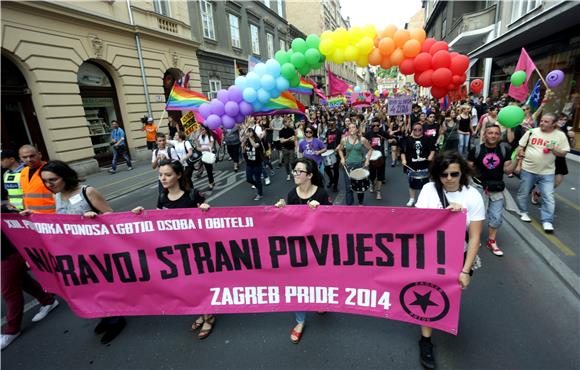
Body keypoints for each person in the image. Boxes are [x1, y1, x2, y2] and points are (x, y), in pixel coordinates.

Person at [36, 160, 127, 344]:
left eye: (53, 180)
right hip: (75, 251)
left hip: (98, 250)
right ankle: (104, 316)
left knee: (104, 286)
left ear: (66, 176)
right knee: (89, 288)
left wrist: (94, 218)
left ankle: (116, 320)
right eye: (45, 181)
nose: (49, 185)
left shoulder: (88, 192)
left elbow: (111, 216)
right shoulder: (58, 196)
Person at [414, 151, 485, 369]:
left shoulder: (472, 196)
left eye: (454, 173)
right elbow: (417, 225)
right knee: (427, 293)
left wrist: (465, 270)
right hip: (429, 254)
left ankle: (443, 317)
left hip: (458, 256)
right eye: (444, 174)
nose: (449, 179)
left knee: (449, 293)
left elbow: (474, 238)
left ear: (462, 172)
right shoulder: (428, 190)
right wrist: (442, 216)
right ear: (437, 175)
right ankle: (425, 340)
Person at [131, 160, 214, 339]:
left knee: (200, 284)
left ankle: (209, 316)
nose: (163, 178)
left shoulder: (193, 195)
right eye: (160, 174)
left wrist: (206, 209)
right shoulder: (162, 198)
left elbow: (211, 221)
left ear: (178, 175)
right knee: (188, 286)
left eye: (167, 174)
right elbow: (155, 222)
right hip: (175, 253)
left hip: (195, 250)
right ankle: (202, 312)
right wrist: (140, 215)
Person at [274, 158, 331, 344]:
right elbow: (287, 224)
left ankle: (320, 301)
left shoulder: (322, 194)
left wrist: (320, 211)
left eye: (299, 171)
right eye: (294, 171)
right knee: (297, 284)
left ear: (310, 175)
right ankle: (300, 321)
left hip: (319, 248)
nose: (295, 174)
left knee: (319, 278)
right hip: (298, 248)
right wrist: (281, 211)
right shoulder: (291, 194)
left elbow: (333, 222)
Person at [1, 190, 59, 350]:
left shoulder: (5, 210)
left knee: (9, 292)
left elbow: (23, 226)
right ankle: (48, 300)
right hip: (8, 255)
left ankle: (11, 330)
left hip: (9, 255)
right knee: (22, 282)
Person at [515, 113, 570, 232]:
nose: (542, 123)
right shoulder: (532, 132)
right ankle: (523, 212)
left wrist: (553, 148)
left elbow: (564, 153)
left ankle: (547, 221)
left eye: (546, 122)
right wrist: (519, 157)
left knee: (548, 197)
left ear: (554, 124)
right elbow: (521, 146)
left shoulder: (560, 135)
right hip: (528, 169)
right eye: (542, 121)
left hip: (548, 172)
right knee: (523, 192)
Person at [468, 123, 515, 256]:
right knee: (477, 215)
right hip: (479, 187)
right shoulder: (476, 150)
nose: (493, 135)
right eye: (490, 133)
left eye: (496, 133)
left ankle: (491, 241)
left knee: (496, 217)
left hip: (497, 188)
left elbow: (507, 170)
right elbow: (468, 169)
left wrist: (517, 159)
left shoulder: (504, 150)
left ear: (500, 136)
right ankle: (474, 239)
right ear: (484, 134)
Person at [337, 122, 372, 206]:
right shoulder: (344, 140)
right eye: (349, 128)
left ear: (357, 130)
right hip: (348, 165)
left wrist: (367, 160)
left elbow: (370, 149)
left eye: (353, 127)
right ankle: (349, 205)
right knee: (348, 187)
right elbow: (340, 150)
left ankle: (360, 202)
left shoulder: (362, 139)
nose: (351, 129)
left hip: (359, 165)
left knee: (360, 186)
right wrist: (342, 158)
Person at [400, 123, 435, 207]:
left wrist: (430, 156)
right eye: (415, 129)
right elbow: (402, 152)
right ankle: (412, 198)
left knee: (426, 184)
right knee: (411, 183)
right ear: (412, 130)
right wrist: (404, 160)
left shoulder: (427, 139)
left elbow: (433, 149)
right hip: (411, 166)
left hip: (425, 165)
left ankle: (425, 200)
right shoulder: (407, 140)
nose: (417, 131)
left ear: (422, 130)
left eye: (419, 129)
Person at [18, 145, 55, 214]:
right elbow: (25, 194)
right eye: (25, 157)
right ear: (20, 158)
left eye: (32, 156)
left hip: (50, 215)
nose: (29, 159)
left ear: (40, 155)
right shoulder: (24, 172)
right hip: (31, 216)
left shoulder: (51, 170)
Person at [366, 119, 387, 200]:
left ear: (380, 125)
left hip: (381, 157)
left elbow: (391, 138)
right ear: (371, 126)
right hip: (371, 158)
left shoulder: (383, 133)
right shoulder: (369, 134)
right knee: (372, 175)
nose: (376, 127)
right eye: (374, 125)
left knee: (380, 176)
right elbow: (362, 140)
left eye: (377, 125)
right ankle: (372, 183)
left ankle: (378, 192)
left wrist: (392, 139)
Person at [242, 127, 265, 201]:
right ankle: (258, 186)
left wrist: (248, 138)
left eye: (250, 132)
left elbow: (255, 145)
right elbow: (243, 151)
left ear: (253, 133)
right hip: (249, 163)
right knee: (249, 179)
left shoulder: (257, 140)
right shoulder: (247, 141)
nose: (249, 133)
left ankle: (260, 194)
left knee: (258, 179)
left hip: (257, 163)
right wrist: (243, 144)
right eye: (248, 132)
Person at [323, 119, 342, 192]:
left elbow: (342, 141)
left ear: (335, 123)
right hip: (328, 151)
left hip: (336, 152)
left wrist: (338, 147)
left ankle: (335, 185)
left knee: (335, 169)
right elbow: (326, 141)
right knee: (326, 168)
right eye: (329, 124)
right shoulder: (328, 131)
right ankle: (331, 179)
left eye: (332, 124)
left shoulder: (339, 131)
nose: (331, 125)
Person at [279, 117, 297, 181]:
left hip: (291, 148)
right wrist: (289, 139)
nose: (289, 122)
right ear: (284, 123)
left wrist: (288, 139)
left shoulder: (291, 130)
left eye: (289, 121)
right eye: (288, 122)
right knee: (286, 163)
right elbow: (281, 141)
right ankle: (288, 174)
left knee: (292, 162)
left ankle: (294, 172)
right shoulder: (281, 131)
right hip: (285, 148)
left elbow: (294, 139)